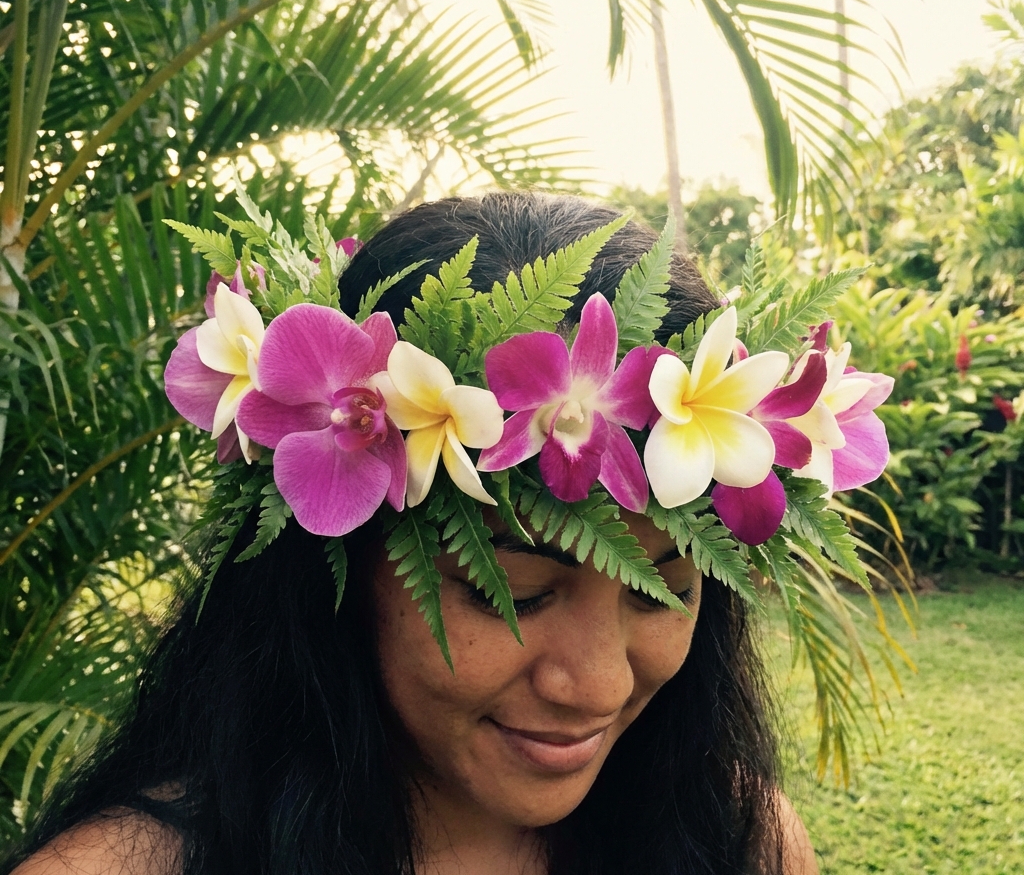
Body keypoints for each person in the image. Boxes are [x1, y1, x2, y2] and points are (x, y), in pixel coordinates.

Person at [4, 194, 819, 875]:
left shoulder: (742, 840)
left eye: (667, 590)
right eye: (521, 596)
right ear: (342, 567)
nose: (600, 686)